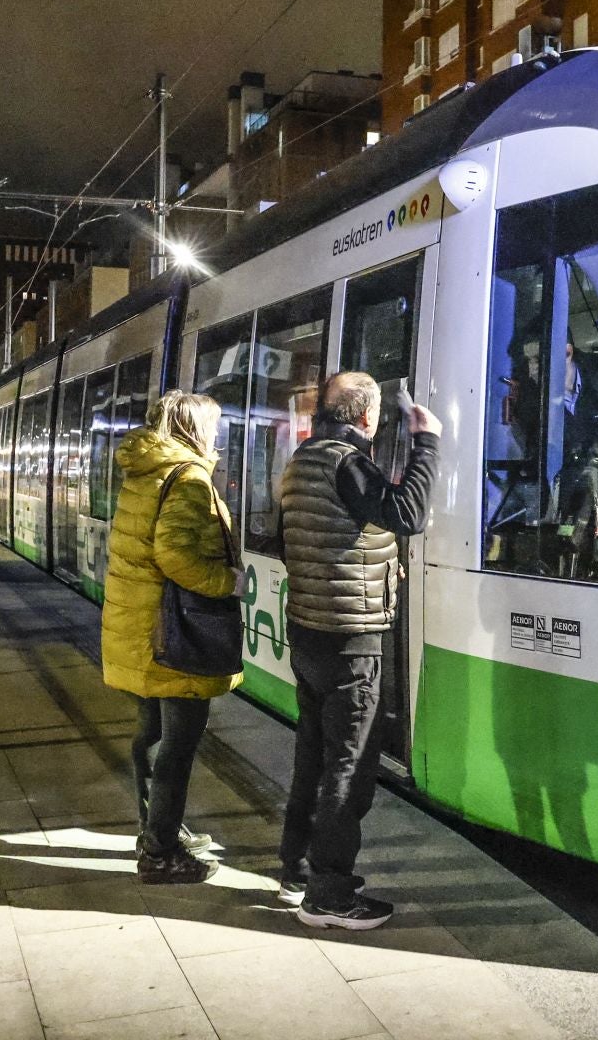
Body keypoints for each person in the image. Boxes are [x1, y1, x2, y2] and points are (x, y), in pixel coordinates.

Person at [278, 371, 441, 931]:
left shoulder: (304, 459)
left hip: (309, 631)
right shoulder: (348, 463)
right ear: (368, 416)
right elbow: (409, 514)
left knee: (314, 757)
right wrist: (428, 442)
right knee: (349, 766)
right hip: (351, 638)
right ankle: (330, 895)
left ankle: (297, 866)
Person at [101, 390, 244, 885]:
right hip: (174, 637)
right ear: (195, 429)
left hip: (143, 629)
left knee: (151, 736)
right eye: (214, 426)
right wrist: (230, 582)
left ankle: (155, 831)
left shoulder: (145, 472)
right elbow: (175, 557)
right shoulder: (188, 479)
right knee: (177, 747)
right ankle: (161, 854)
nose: (218, 437)